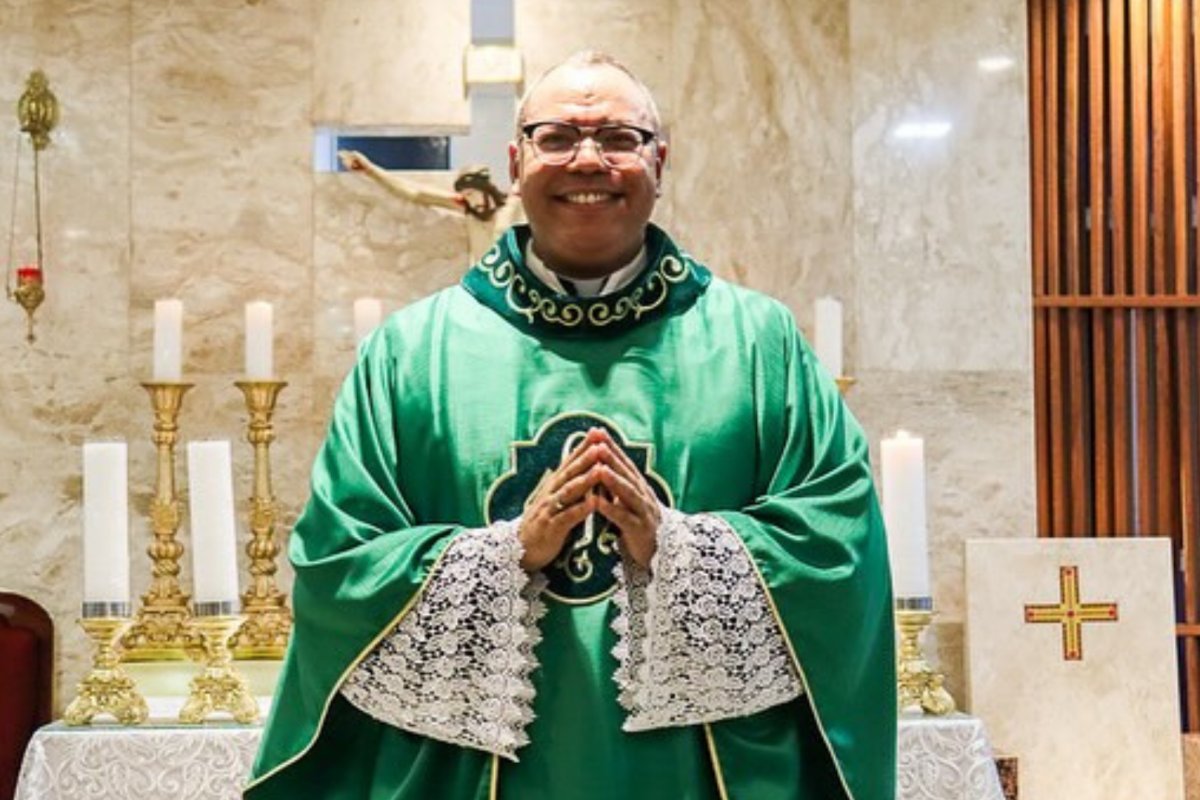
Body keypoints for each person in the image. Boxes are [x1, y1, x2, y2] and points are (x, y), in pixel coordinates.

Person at [247, 51, 896, 800]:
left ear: (661, 159)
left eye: (618, 136)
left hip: (693, 772)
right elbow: (338, 564)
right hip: (470, 775)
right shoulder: (411, 352)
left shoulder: (760, 344)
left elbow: (839, 545)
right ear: (516, 161)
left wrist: (679, 548)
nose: (588, 159)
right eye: (558, 136)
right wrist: (506, 553)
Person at [338, 150, 524, 263]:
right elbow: (417, 193)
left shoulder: (513, 206)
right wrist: (371, 170)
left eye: (473, 193)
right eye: (466, 195)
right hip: (482, 286)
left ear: (487, 189)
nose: (472, 201)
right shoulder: (466, 208)